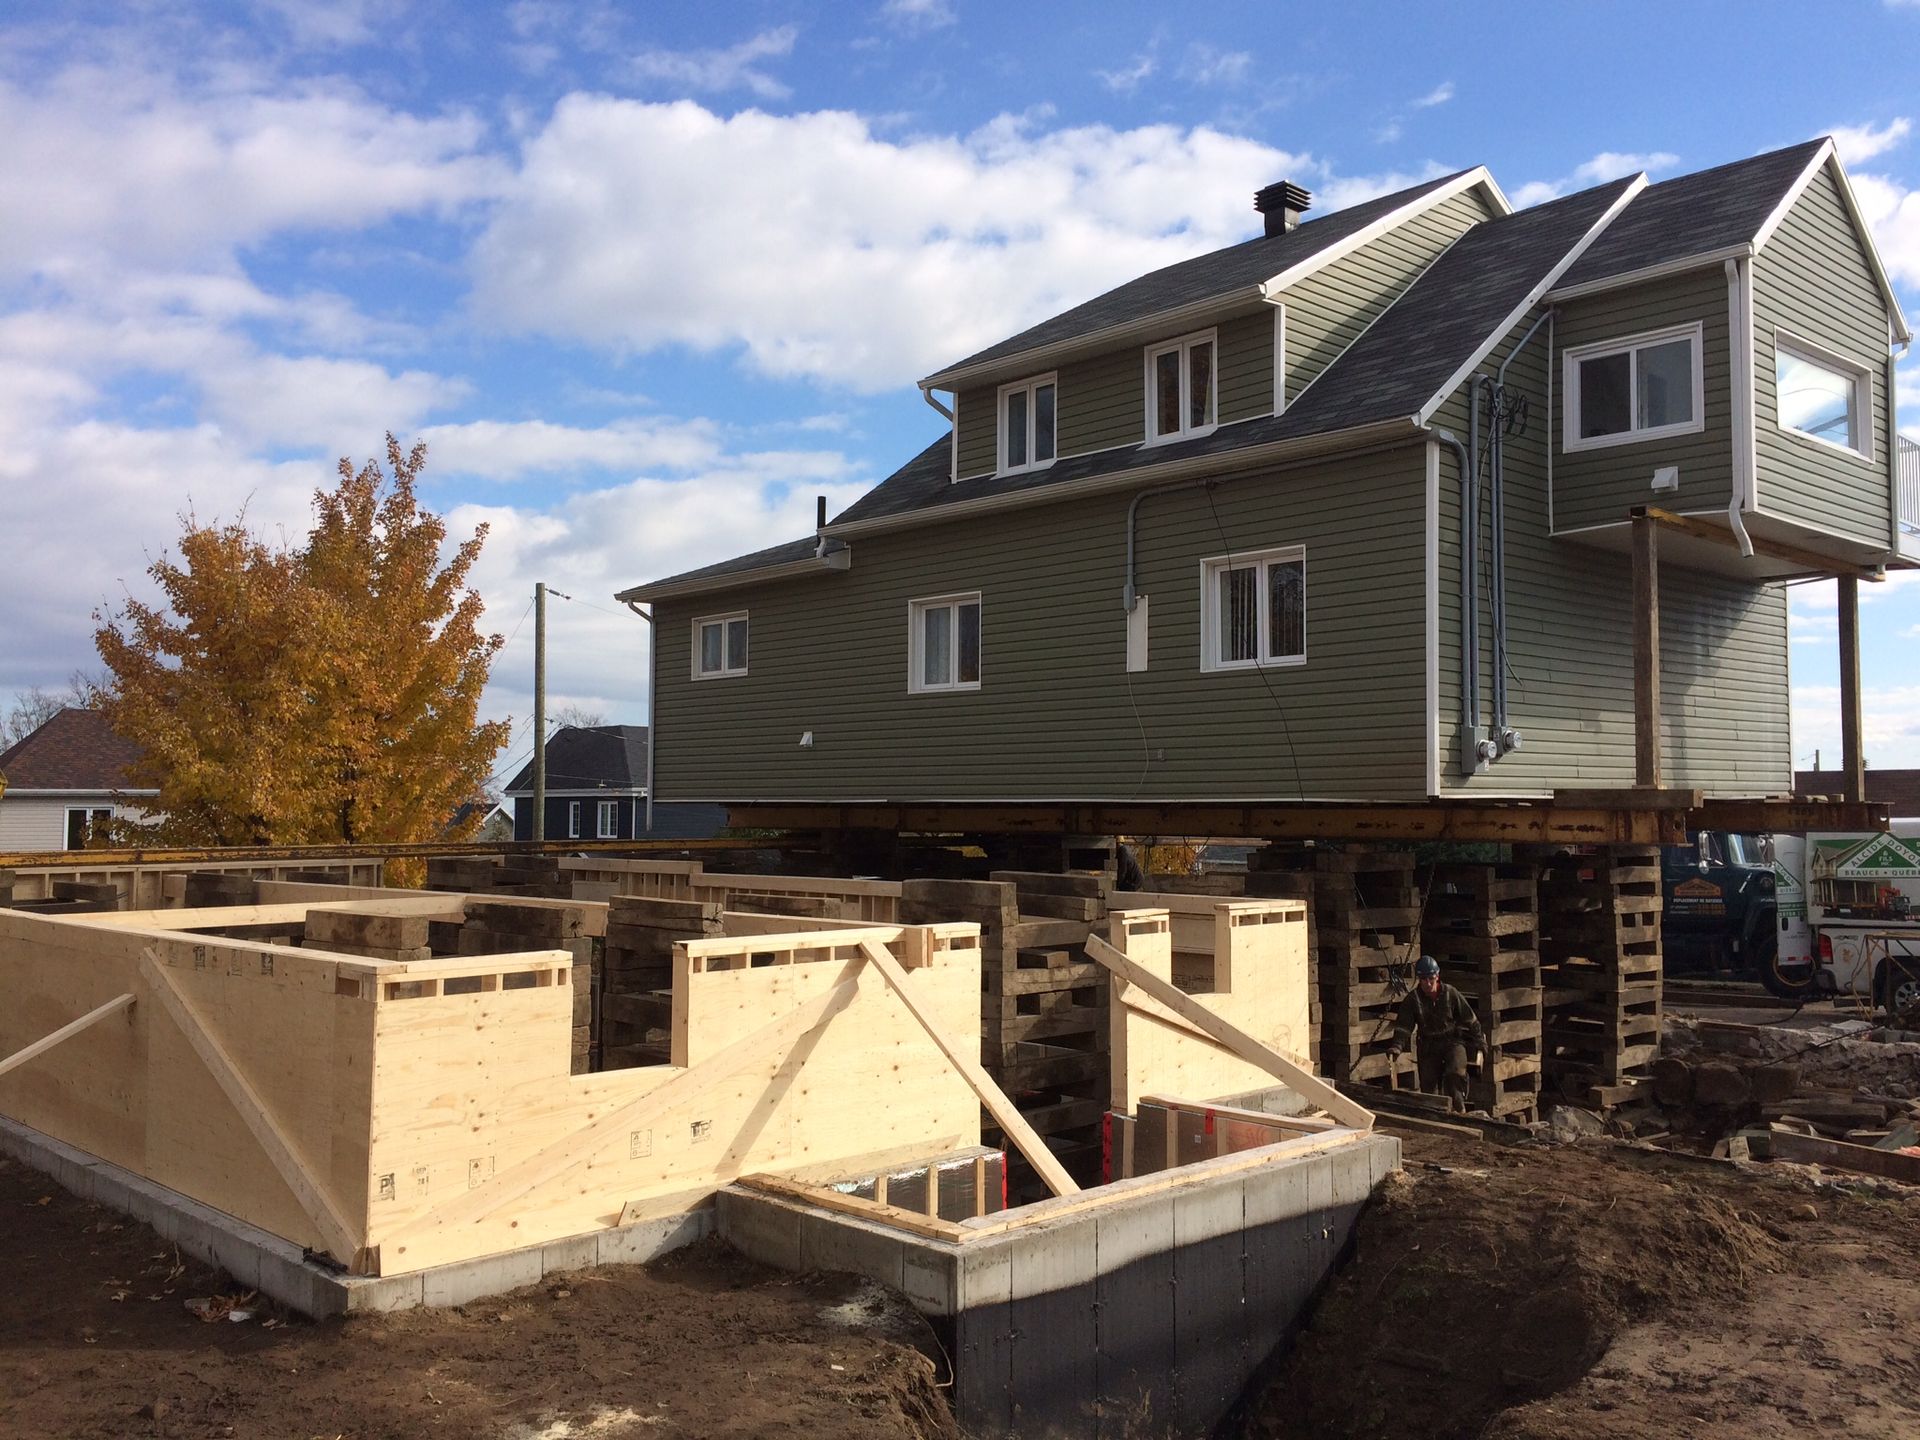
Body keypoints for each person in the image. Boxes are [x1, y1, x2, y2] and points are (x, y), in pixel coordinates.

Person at [1388, 956, 1486, 1112]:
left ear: (1437, 976)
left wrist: (1480, 1041)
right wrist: (1397, 1046)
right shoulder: (1413, 999)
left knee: (1455, 1074)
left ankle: (1460, 1111)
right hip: (1428, 1045)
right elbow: (1403, 1027)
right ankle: (1435, 1118)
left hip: (1452, 1041)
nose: (1428, 983)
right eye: (1424, 979)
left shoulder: (1450, 993)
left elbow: (1470, 1019)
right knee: (1429, 1088)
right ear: (1419, 979)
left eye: (1431, 979)